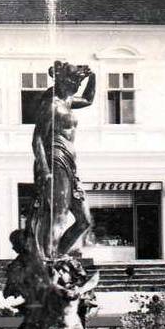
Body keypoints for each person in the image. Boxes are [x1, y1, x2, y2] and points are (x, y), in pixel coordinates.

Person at [29, 61, 95, 260]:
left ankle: (56, 255)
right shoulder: (52, 105)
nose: (77, 86)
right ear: (65, 81)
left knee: (84, 220)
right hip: (56, 160)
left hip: (69, 163)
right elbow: (38, 138)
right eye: (75, 82)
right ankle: (49, 261)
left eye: (79, 82)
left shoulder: (66, 101)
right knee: (58, 215)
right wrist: (45, 170)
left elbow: (89, 99)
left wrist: (93, 78)